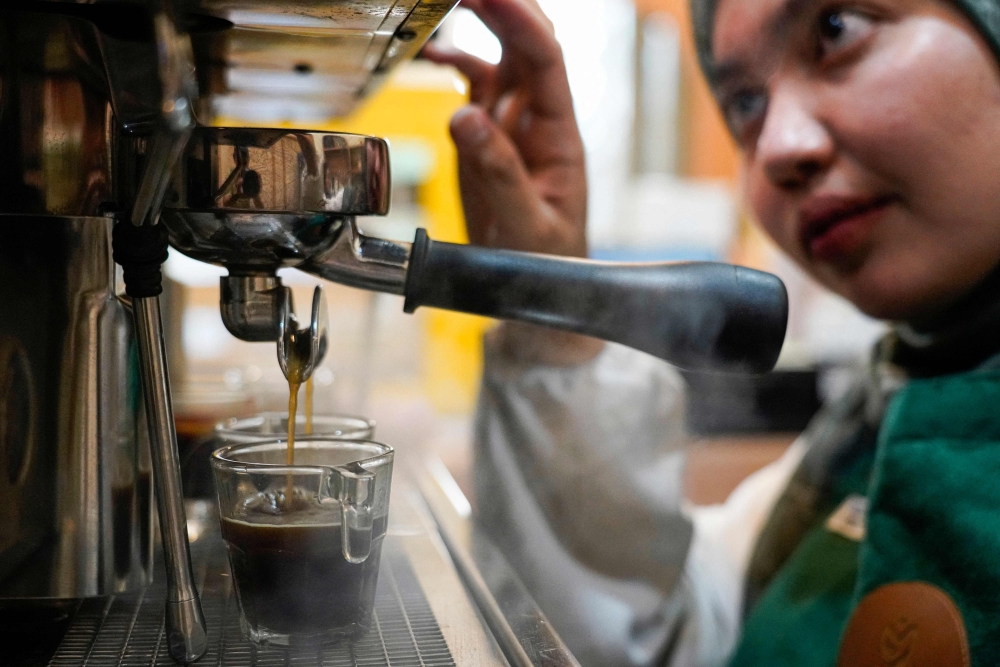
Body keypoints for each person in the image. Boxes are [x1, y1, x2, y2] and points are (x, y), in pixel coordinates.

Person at [424, 0, 1000, 665]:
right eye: (746, 105)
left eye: (837, 31)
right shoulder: (869, 427)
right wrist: (549, 315)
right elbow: (680, 639)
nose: (780, 147)